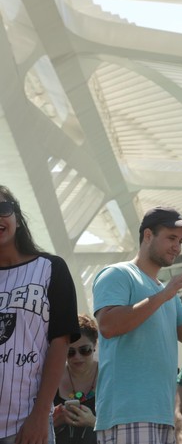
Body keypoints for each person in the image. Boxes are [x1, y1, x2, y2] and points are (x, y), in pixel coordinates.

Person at [92, 206, 182, 443]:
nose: (177, 247)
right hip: (128, 414)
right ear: (148, 235)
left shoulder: (164, 291)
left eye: (180, 241)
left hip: (164, 416)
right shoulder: (118, 274)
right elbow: (108, 326)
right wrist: (166, 294)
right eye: (171, 238)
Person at [0, 185, 80, 444]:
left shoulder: (51, 268)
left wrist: (39, 415)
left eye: (2, 209)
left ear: (17, 218)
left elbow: (60, 343)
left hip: (26, 424)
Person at [53, 314, 99, 443]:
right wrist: (52, 422)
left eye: (84, 350)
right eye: (70, 352)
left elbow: (123, 427)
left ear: (94, 344)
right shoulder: (52, 378)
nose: (77, 357)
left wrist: (93, 422)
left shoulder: (109, 377)